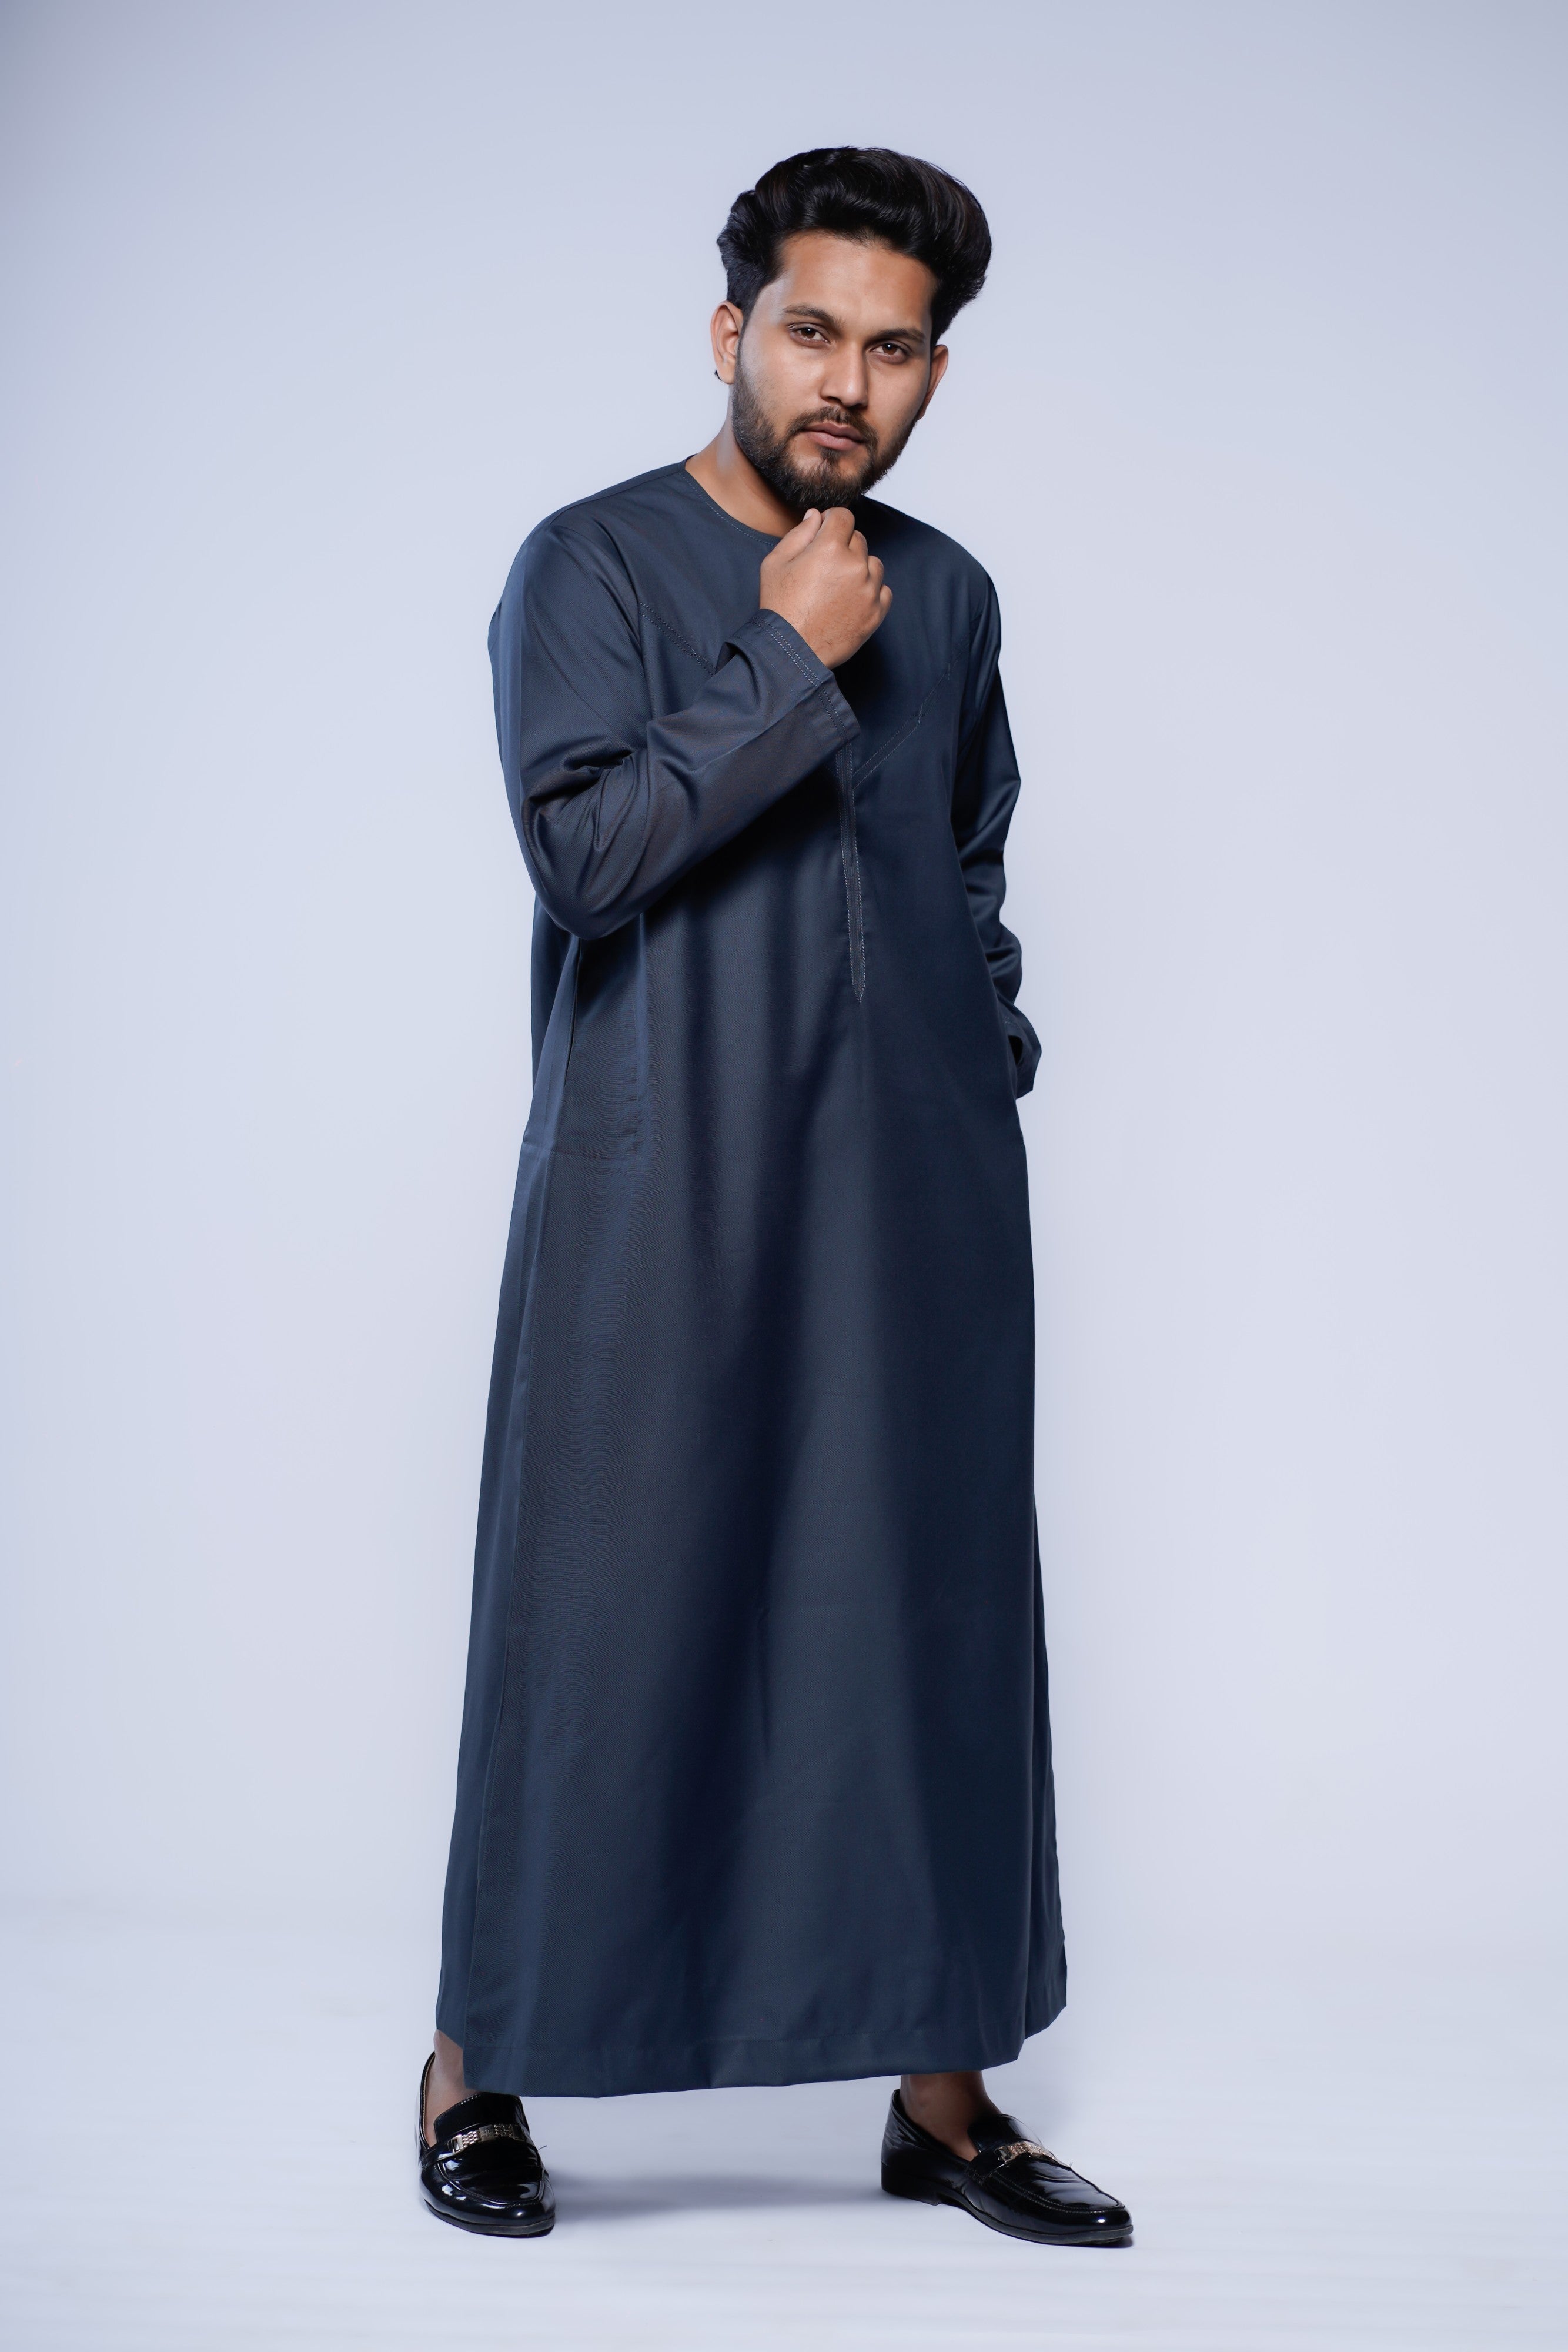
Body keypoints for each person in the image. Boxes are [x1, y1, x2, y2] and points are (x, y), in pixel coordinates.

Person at [418, 146, 1131, 2250]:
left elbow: (969, 862)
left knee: (924, 1617)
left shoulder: (954, 593)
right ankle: (476, 2062)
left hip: (912, 1196)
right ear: (732, 332)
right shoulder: (591, 564)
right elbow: (585, 857)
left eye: (894, 351)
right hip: (665, 1187)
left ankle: (942, 2099)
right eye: (812, 333)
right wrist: (785, 656)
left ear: (932, 374)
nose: (847, 383)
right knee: (604, 1612)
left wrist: (980, 1052)